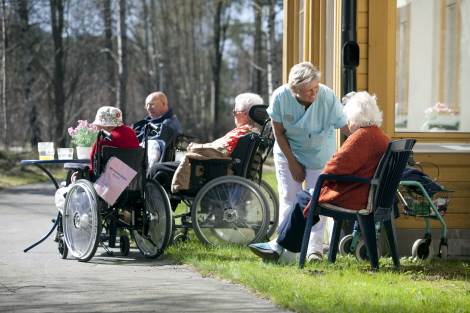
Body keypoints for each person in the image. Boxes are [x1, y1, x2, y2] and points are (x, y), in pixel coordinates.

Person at [248, 91, 390, 262]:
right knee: (307, 197)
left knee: (304, 198)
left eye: (349, 119)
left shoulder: (360, 137)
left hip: (356, 196)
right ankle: (279, 246)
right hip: (366, 194)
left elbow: (334, 167)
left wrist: (325, 177)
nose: (348, 124)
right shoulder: (378, 135)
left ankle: (281, 247)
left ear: (356, 116)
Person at [267, 62, 350, 262]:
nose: (314, 93)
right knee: (289, 197)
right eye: (308, 91)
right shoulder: (280, 97)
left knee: (316, 202)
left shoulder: (327, 96)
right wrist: (293, 162)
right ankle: (287, 250)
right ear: (294, 90)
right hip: (288, 151)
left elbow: (346, 127)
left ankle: (314, 250)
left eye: (316, 88)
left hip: (319, 154)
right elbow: (278, 132)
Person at [169, 92, 263, 193]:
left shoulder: (241, 133)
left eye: (235, 112)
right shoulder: (252, 132)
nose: (234, 115)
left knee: (159, 169)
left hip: (211, 169)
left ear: (245, 114)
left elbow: (218, 151)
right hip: (219, 167)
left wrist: (195, 147)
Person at [133, 91, 182, 165]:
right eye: (147, 105)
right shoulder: (144, 123)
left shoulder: (169, 124)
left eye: (152, 104)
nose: (148, 108)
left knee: (153, 144)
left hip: (157, 168)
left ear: (163, 104)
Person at [89, 106, 140, 175]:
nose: (97, 127)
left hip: (107, 180)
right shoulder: (131, 132)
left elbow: (93, 160)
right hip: (131, 178)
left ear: (106, 125)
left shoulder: (104, 139)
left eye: (98, 125)